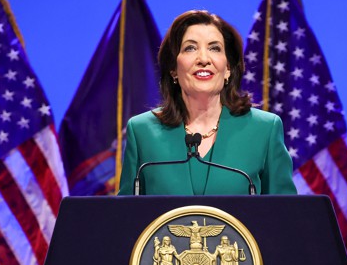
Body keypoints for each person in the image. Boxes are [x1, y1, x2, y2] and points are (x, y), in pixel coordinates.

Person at [117, 10, 297, 195]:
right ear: (173, 69)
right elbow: (125, 217)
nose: (203, 59)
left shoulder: (264, 130)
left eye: (214, 48)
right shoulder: (142, 132)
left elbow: (285, 215)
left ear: (228, 68)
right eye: (190, 48)